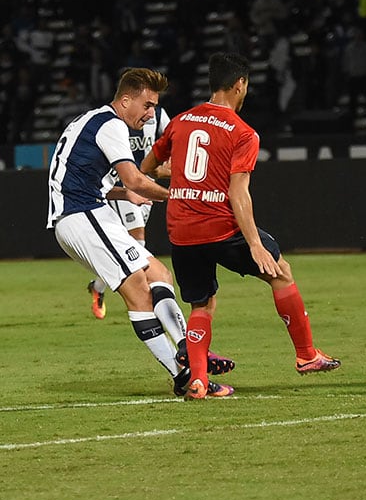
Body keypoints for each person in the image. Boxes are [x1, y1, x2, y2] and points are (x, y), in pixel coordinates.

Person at [141, 52, 340, 400]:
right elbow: (239, 194)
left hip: (182, 229)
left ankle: (199, 382)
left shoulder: (182, 121)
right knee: (280, 273)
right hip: (220, 228)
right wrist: (255, 244)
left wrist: (181, 175)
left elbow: (148, 167)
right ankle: (306, 355)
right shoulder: (243, 132)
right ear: (240, 84)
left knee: (201, 305)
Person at [46, 68, 232, 396]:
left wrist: (122, 193)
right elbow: (134, 178)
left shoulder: (92, 120)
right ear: (126, 99)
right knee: (138, 292)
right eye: (146, 106)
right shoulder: (112, 125)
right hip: (81, 215)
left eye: (154, 107)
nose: (150, 114)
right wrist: (180, 194)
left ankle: (188, 352)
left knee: (159, 273)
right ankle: (186, 375)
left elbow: (85, 177)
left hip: (85, 212)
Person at [85, 104, 170, 320]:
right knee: (138, 240)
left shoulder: (158, 116)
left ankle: (98, 286)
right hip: (126, 182)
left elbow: (174, 141)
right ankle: (143, 297)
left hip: (147, 181)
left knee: (126, 244)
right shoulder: (119, 120)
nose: (149, 108)